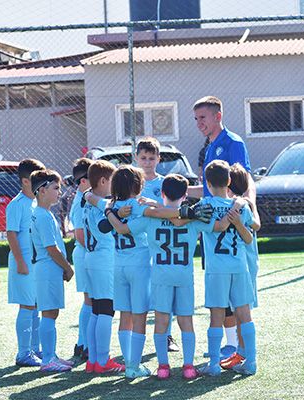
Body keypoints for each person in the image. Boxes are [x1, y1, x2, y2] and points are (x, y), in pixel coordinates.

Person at [83, 165, 214, 378]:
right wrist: (188, 212)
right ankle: (137, 366)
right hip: (142, 266)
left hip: (119, 264)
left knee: (125, 316)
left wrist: (101, 205)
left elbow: (94, 201)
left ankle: (133, 364)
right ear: (138, 186)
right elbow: (164, 214)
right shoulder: (140, 206)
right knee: (142, 317)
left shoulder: (110, 204)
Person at [188, 95, 260, 358]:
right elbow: (210, 190)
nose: (199, 123)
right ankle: (231, 346)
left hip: (233, 228)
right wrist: (178, 190)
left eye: (203, 118)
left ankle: (242, 349)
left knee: (238, 297)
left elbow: (246, 180)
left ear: (218, 116)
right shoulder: (209, 146)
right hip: (215, 229)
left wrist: (248, 206)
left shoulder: (233, 142)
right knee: (222, 296)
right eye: (196, 119)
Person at [198, 160, 258, 376]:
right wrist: (238, 220)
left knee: (216, 315)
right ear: (229, 180)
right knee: (244, 314)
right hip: (239, 266)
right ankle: (251, 361)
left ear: (207, 183)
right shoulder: (240, 205)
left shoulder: (204, 206)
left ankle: (214, 364)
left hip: (217, 269)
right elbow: (249, 238)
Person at [135, 137, 179, 352]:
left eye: (151, 158)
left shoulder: (164, 183)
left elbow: (171, 209)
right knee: (141, 294)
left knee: (164, 291)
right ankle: (138, 338)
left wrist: (155, 207)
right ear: (136, 158)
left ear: (158, 159)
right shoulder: (133, 183)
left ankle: (167, 336)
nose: (147, 162)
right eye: (143, 158)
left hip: (162, 245)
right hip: (139, 246)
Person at [82, 160, 126, 374]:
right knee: (106, 310)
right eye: (111, 181)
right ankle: (102, 360)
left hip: (91, 258)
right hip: (103, 259)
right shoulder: (102, 204)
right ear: (102, 181)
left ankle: (93, 360)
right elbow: (103, 224)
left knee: (97, 310)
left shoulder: (89, 200)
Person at [30, 169, 75, 372]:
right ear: (42, 190)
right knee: (49, 313)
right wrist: (67, 267)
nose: (59, 192)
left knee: (51, 313)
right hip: (48, 268)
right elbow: (51, 248)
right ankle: (48, 359)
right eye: (56, 188)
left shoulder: (43, 213)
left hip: (49, 269)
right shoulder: (42, 216)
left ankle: (51, 355)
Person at [220, 163, 260, 371]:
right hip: (243, 263)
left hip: (244, 264)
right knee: (239, 310)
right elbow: (257, 224)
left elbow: (254, 226)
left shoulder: (240, 206)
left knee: (243, 311)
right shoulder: (243, 203)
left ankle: (247, 357)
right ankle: (242, 352)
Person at [6, 158, 46, 367]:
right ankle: (23, 353)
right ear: (25, 181)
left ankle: (35, 349)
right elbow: (11, 234)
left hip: (36, 263)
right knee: (27, 305)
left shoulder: (37, 202)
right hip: (23, 263)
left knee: (36, 305)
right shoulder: (16, 204)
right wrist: (20, 261)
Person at [68, 158, 94, 361]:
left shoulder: (87, 198)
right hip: (85, 254)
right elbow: (80, 235)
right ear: (83, 181)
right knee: (90, 300)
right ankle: (84, 344)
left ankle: (83, 343)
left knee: (92, 300)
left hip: (88, 253)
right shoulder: (80, 202)